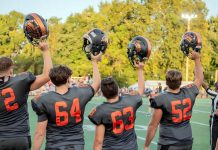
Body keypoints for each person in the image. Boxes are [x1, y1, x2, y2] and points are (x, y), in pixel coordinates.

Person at [31, 53, 102, 150]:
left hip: (54, 145)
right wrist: (94, 62)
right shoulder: (80, 93)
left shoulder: (44, 99)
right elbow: (97, 84)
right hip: (76, 145)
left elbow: (40, 133)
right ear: (68, 79)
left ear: (51, 81)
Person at [144, 51, 203, 150]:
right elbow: (199, 79)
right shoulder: (189, 92)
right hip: (187, 141)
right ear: (180, 82)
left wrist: (146, 145)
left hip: (169, 143)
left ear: (166, 82)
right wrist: (197, 59)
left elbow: (153, 126)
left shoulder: (161, 99)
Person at [0, 41, 52, 150]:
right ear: (11, 70)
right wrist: (46, 51)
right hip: (19, 137)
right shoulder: (20, 81)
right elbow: (48, 75)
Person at [88, 61, 145, 150]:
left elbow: (99, 141)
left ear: (102, 93)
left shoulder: (101, 111)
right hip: (131, 147)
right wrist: (140, 69)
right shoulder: (131, 101)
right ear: (118, 89)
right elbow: (141, 90)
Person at [202, 81, 218, 150]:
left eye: (215, 87)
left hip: (216, 121)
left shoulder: (215, 94)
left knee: (214, 142)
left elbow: (206, 88)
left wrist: (199, 79)